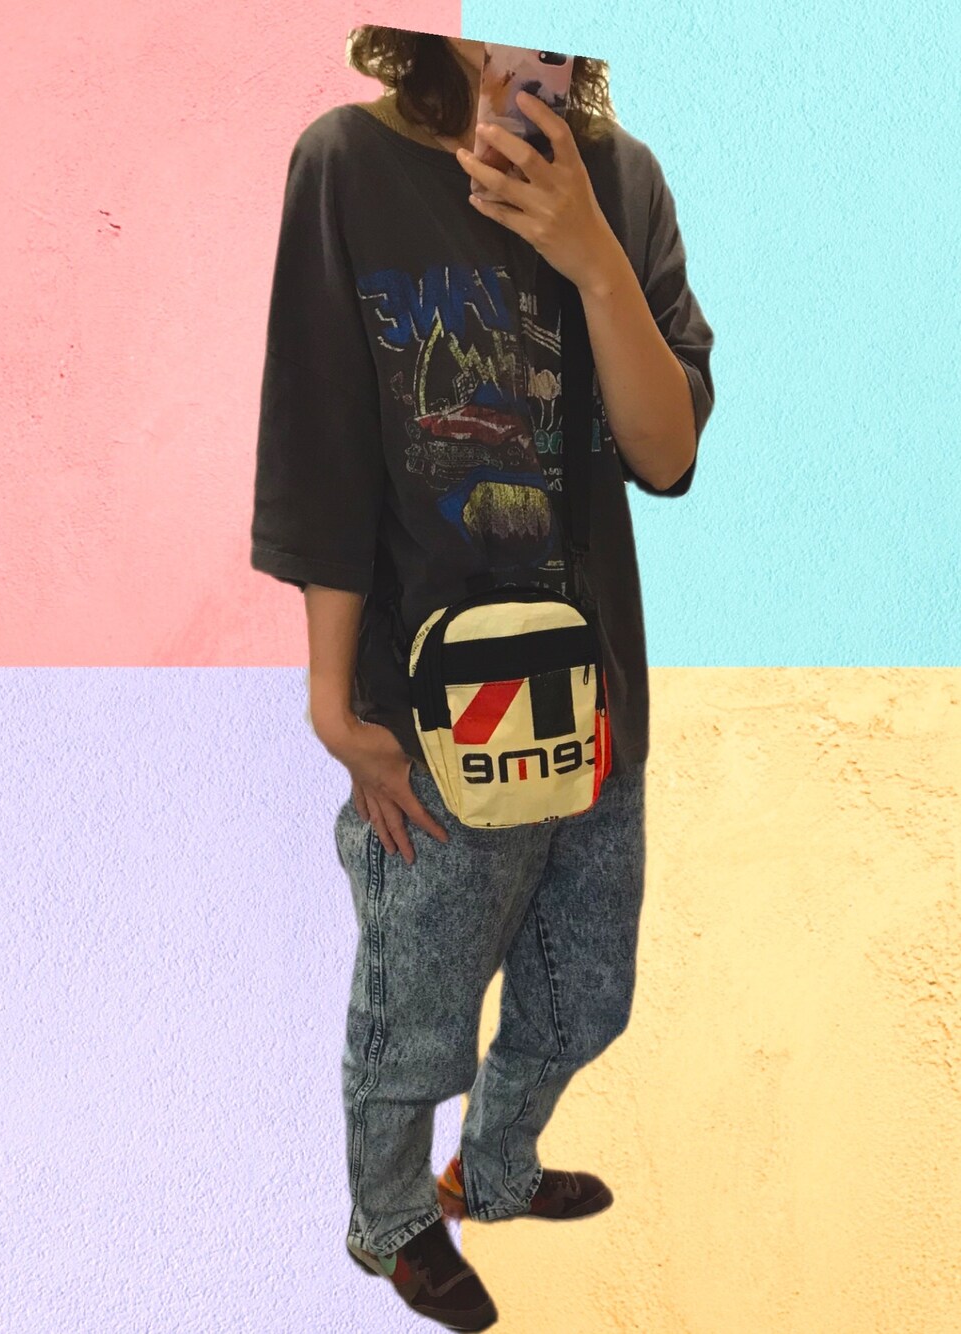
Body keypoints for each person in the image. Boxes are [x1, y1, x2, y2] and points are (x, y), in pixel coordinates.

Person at [250, 26, 715, 1332]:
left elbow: (667, 456)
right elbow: (320, 441)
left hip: (595, 702)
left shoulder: (625, 180)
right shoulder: (347, 164)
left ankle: (494, 1171)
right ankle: (391, 1220)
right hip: (427, 713)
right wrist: (332, 702)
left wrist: (593, 257)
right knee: (416, 1014)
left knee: (583, 993)